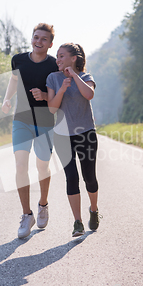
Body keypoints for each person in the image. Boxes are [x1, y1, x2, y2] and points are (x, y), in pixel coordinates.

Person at [1, 23, 58, 239]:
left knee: (42, 166)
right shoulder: (18, 60)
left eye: (44, 39)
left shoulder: (54, 65)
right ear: (31, 38)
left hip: (45, 121)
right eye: (36, 37)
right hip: (22, 120)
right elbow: (14, 80)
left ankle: (43, 204)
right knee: (20, 165)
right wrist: (7, 99)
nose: (38, 41)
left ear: (50, 44)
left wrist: (45, 96)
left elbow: (59, 95)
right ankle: (27, 214)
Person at [46, 43, 101, 237]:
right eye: (57, 56)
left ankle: (93, 210)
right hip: (62, 136)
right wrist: (61, 89)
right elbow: (52, 108)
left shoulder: (86, 77)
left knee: (89, 178)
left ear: (73, 58)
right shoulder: (52, 78)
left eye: (61, 56)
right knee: (72, 177)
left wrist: (75, 76)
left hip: (86, 133)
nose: (57, 59)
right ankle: (77, 222)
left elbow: (89, 94)